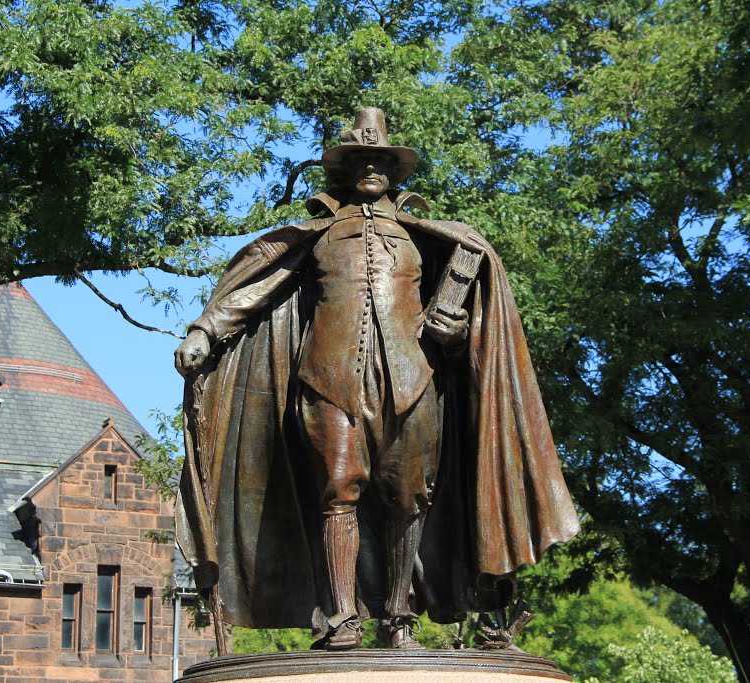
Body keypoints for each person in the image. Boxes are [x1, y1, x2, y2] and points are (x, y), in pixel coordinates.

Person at [174, 108, 579, 651]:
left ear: (394, 171)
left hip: (414, 383)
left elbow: (467, 331)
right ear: (343, 171)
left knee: (408, 496)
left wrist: (457, 330)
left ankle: (397, 615)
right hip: (327, 382)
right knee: (336, 489)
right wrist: (206, 329)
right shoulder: (316, 236)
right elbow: (257, 285)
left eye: (379, 159)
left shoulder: (432, 240)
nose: (369, 167)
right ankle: (342, 616)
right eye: (358, 159)